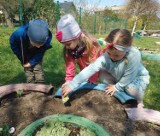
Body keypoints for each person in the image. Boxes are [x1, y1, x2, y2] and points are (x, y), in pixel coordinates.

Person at [61, 29, 150, 104]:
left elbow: (129, 76)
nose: (112, 57)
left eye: (116, 56)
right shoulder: (106, 56)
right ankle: (119, 92)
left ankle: (139, 104)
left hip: (135, 78)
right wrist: (72, 84)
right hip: (118, 76)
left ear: (126, 50)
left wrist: (117, 87)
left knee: (132, 91)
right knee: (102, 75)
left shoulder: (134, 54)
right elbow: (91, 69)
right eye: (109, 53)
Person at [56, 14, 102, 86]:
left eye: (68, 44)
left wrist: (91, 81)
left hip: (100, 69)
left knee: (98, 82)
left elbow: (95, 65)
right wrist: (69, 80)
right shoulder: (70, 49)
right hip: (84, 69)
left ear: (76, 38)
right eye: (64, 45)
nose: (67, 47)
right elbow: (70, 66)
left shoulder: (91, 45)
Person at [10, 19, 52, 83]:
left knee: (37, 67)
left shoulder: (47, 36)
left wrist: (32, 62)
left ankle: (40, 85)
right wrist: (21, 57)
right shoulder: (19, 34)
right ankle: (30, 85)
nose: (38, 46)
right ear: (30, 38)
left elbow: (40, 52)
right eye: (36, 44)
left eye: (41, 44)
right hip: (24, 51)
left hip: (37, 53)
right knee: (27, 69)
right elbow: (14, 45)